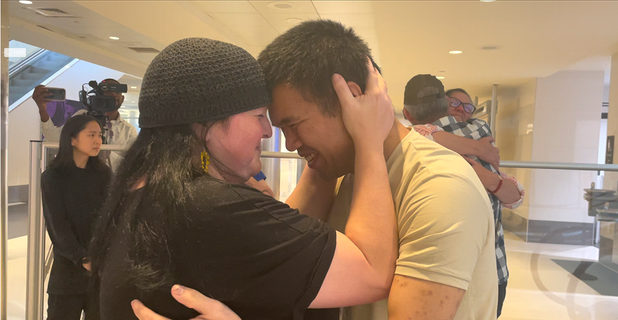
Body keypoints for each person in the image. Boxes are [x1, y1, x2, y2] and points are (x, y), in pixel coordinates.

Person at [133, 20, 498, 320]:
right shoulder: (353, 170)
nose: (289, 144)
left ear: (351, 98)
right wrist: (329, 153)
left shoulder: (439, 186)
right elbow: (290, 241)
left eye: (294, 124)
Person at [90, 37, 398, 320]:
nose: (268, 131)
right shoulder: (211, 207)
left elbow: (290, 242)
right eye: (258, 115)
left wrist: (325, 147)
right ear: (205, 122)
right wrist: (368, 141)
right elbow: (371, 273)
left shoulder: (145, 192)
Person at [402, 76, 526, 317]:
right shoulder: (476, 136)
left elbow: (516, 197)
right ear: (441, 105)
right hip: (484, 269)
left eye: (468, 107)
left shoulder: (476, 136)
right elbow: (418, 133)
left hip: (466, 269)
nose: (461, 110)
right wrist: (479, 150)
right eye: (454, 103)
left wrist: (487, 177)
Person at [41, 114, 112, 320]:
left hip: (99, 271)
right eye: (91, 135)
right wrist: (82, 257)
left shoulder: (103, 174)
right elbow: (57, 225)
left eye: (99, 135)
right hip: (67, 272)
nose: (98, 140)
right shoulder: (53, 177)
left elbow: (109, 216)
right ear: (72, 139)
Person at [32, 79, 138, 169]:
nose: (113, 95)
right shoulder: (83, 117)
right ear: (98, 96)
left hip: (111, 187)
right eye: (108, 93)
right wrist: (43, 110)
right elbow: (55, 140)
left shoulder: (128, 131)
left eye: (116, 95)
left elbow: (132, 165)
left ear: (122, 99)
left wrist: (108, 154)